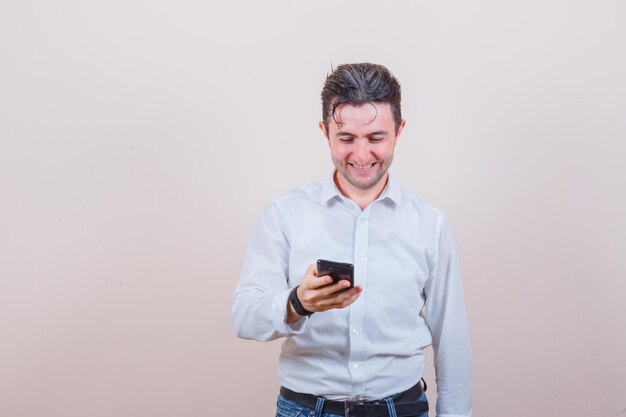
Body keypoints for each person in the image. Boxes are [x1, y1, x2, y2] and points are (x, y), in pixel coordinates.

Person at [232, 63, 472, 417]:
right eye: (346, 139)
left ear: (399, 130)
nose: (361, 157)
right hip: (306, 409)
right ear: (325, 132)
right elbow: (244, 317)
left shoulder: (430, 224)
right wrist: (297, 303)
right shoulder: (284, 214)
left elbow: (452, 340)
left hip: (402, 408)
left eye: (376, 138)